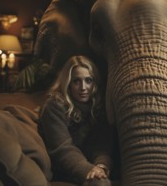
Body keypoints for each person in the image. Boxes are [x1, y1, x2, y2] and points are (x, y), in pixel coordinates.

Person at [39, 55, 115, 186]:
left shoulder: (98, 105)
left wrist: (102, 166)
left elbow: (101, 145)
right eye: (76, 81)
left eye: (88, 80)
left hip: (92, 165)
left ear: (95, 83)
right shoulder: (54, 105)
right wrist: (89, 170)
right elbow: (62, 148)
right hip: (65, 166)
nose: (83, 87)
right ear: (67, 83)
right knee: (100, 184)